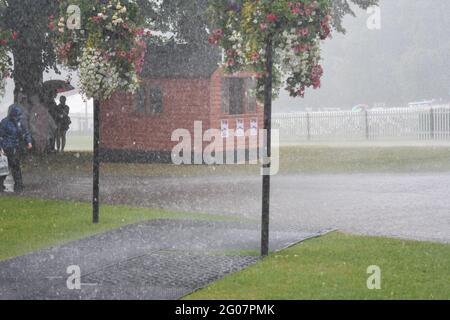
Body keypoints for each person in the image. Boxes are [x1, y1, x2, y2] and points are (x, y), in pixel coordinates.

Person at [0, 104, 33, 193]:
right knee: (6, 167)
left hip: (16, 147)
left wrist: (28, 142)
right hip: (7, 147)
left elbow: (26, 133)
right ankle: (7, 184)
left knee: (15, 166)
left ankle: (18, 185)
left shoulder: (20, 122)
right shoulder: (5, 122)